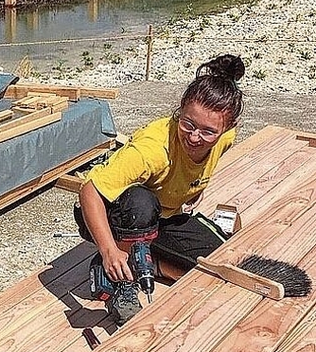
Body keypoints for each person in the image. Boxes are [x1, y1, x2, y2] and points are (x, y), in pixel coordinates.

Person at [75, 54, 245, 326]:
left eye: (207, 132)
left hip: (164, 216)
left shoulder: (226, 138)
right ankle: (121, 278)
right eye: (187, 123)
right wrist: (108, 249)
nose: (193, 137)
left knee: (219, 264)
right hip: (111, 212)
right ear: (179, 110)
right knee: (142, 201)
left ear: (227, 129)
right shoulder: (152, 149)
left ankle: (150, 262)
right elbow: (89, 191)